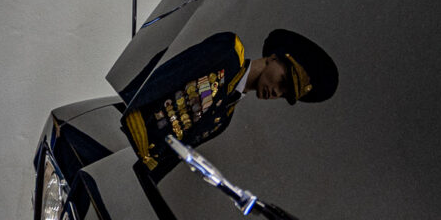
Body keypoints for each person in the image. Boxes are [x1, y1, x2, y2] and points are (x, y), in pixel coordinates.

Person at [122, 28, 339, 175]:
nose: (276, 92)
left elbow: (171, 159)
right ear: (274, 58)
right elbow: (163, 77)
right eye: (282, 81)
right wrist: (119, 111)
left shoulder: (224, 118)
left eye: (284, 94)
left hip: (124, 167)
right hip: (120, 128)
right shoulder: (228, 53)